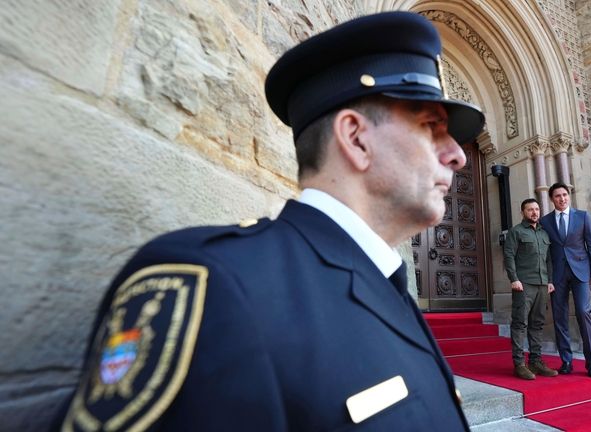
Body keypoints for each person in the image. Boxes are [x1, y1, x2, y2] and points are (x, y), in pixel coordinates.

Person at [55, 11, 485, 431]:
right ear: (356, 138)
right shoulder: (214, 284)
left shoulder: (390, 289)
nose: (458, 154)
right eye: (431, 126)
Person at [540, 182, 591, 378]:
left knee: (584, 312)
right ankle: (566, 361)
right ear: (552, 199)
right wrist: (547, 278)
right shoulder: (545, 222)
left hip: (581, 272)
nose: (562, 198)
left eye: (565, 194)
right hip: (557, 275)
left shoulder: (583, 216)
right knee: (559, 317)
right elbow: (545, 253)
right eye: (557, 196)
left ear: (569, 195)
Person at [503, 198, 558, 380]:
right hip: (523, 284)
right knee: (520, 323)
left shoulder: (544, 234)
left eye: (536, 209)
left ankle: (536, 361)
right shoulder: (516, 232)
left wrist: (549, 281)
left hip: (542, 285)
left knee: (537, 324)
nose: (534, 213)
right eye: (530, 210)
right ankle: (519, 364)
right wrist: (514, 279)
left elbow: (549, 260)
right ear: (523, 212)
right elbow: (509, 256)